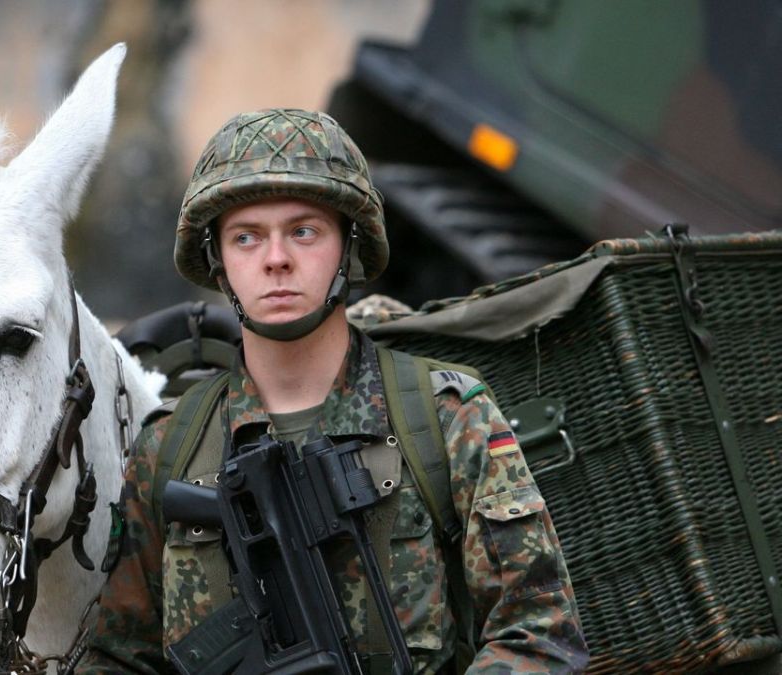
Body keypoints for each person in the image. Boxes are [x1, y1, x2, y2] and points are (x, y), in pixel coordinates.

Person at [76, 109, 588, 674]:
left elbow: (539, 630)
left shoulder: (443, 417)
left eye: (304, 231)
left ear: (347, 247)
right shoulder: (169, 445)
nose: (276, 259)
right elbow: (120, 656)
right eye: (246, 237)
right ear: (218, 261)